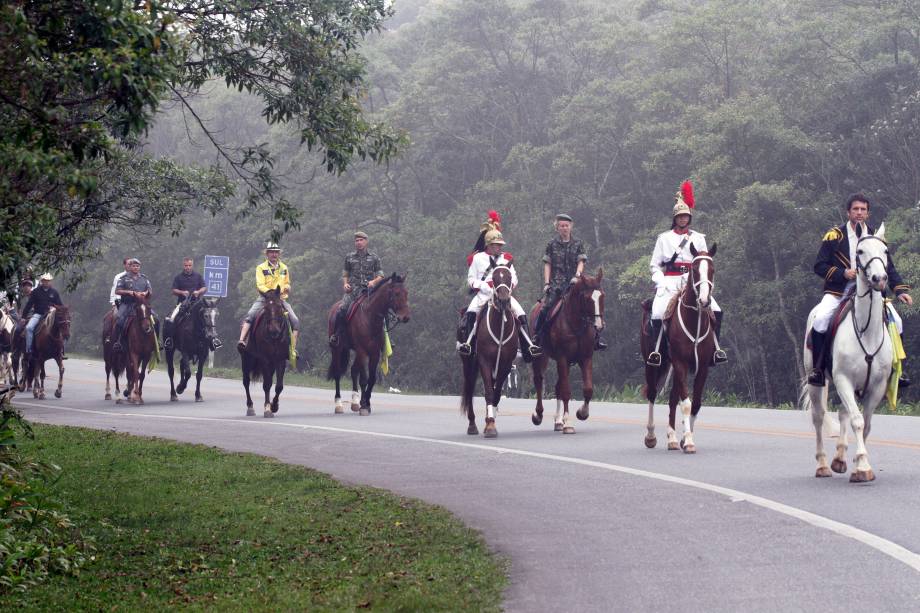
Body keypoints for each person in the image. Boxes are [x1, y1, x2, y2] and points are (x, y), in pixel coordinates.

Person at [808, 193, 912, 386]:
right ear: (848, 212)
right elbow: (819, 266)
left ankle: (897, 372)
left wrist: (900, 290)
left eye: (863, 209)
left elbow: (888, 268)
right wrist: (843, 273)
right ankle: (818, 370)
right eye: (855, 209)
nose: (859, 213)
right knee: (821, 320)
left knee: (897, 321)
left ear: (868, 213)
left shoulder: (876, 237)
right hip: (839, 291)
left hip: (871, 292)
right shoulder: (834, 236)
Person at [646, 181, 727, 366]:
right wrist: (661, 281)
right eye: (680, 217)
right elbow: (654, 265)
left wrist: (704, 282)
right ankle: (657, 351)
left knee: (716, 310)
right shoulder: (664, 238)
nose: (683, 219)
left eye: (686, 217)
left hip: (693, 283)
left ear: (689, 218)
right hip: (669, 281)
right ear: (675, 218)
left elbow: (705, 262)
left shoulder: (698, 238)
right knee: (657, 312)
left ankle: (715, 349)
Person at [457, 223, 541, 359]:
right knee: (471, 313)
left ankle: (527, 348)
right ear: (488, 245)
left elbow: (514, 277)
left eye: (500, 245)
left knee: (521, 314)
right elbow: (471, 280)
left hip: (503, 293)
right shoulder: (477, 258)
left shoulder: (506, 258)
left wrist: (507, 288)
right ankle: (469, 346)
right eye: (496, 244)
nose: (499, 247)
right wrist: (484, 286)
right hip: (483, 294)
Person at [534, 213, 606, 350]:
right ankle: (537, 337)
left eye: (566, 225)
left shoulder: (578, 243)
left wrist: (577, 275)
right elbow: (547, 264)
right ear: (557, 228)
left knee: (591, 303)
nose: (564, 228)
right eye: (561, 226)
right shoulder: (551, 244)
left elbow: (581, 261)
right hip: (556, 284)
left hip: (575, 283)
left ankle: (597, 337)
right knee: (545, 308)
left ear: (571, 227)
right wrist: (547, 283)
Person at [238, 242, 300, 355]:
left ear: (279, 254)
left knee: (295, 321)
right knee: (250, 315)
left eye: (276, 252)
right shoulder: (261, 268)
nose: (274, 254)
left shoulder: (284, 268)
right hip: (264, 298)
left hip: (280, 299)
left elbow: (287, 283)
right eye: (271, 252)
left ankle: (292, 350)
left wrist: (287, 287)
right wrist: (271, 293)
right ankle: (242, 340)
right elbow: (260, 285)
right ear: (267, 254)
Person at [329, 231, 385, 347]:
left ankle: (385, 338)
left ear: (366, 241)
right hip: (353, 291)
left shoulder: (374, 257)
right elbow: (345, 274)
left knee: (382, 309)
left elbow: (381, 275)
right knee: (342, 309)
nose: (358, 243)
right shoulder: (349, 257)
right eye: (356, 241)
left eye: (361, 240)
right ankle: (338, 334)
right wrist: (345, 284)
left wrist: (373, 282)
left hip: (369, 291)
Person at [162, 257, 211, 351]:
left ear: (192, 265)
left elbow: (204, 287)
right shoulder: (178, 277)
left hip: (197, 304)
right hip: (182, 304)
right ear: (183, 265)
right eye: (186, 265)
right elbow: (173, 290)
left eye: (189, 265)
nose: (188, 267)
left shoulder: (198, 276)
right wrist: (182, 292)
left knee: (208, 317)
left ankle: (211, 340)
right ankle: (169, 340)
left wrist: (198, 291)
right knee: (171, 318)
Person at [111, 259, 152, 352]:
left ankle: (155, 341)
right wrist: (129, 292)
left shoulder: (144, 278)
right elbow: (117, 291)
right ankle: (118, 341)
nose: (135, 268)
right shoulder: (124, 278)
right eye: (133, 266)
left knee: (155, 319)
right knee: (120, 320)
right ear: (130, 267)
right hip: (127, 303)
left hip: (141, 304)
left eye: (137, 266)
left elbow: (150, 291)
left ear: (139, 267)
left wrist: (145, 293)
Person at [23, 273, 65, 357]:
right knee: (28, 328)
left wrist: (60, 310)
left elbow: (60, 305)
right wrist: (23, 317)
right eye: (45, 281)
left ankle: (61, 351)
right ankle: (29, 349)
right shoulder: (36, 291)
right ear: (42, 281)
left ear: (50, 282)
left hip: (51, 315)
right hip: (38, 314)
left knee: (63, 328)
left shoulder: (54, 292)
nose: (46, 282)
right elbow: (29, 304)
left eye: (48, 281)